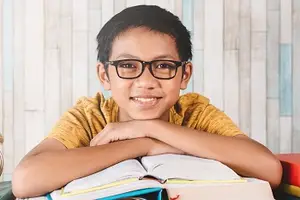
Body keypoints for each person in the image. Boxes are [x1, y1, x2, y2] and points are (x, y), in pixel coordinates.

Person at [12, 5, 282, 198]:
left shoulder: (194, 112)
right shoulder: (89, 115)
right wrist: (144, 145)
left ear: (184, 74)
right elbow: (25, 180)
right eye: (128, 65)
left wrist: (151, 128)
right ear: (104, 75)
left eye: (163, 65)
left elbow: (268, 169)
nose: (146, 81)